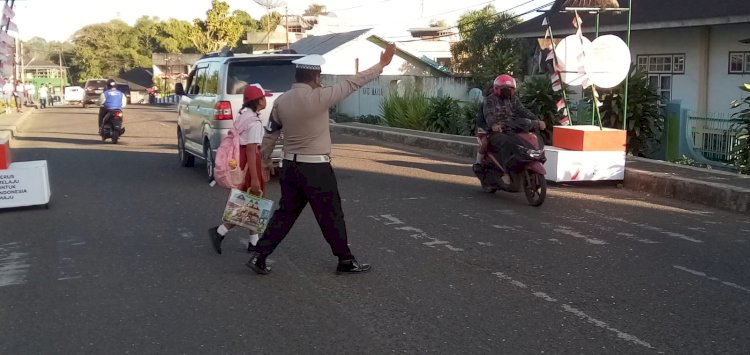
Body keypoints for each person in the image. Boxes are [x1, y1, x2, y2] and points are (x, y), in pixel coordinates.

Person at [245, 44, 396, 275]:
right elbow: (354, 82)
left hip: (290, 167)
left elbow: (270, 134)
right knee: (331, 214)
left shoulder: (281, 101)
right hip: (316, 168)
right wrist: (381, 65)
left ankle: (260, 256)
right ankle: (345, 260)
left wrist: (265, 162)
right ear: (316, 77)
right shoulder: (321, 97)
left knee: (285, 214)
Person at [209, 83, 273, 254]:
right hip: (249, 166)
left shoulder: (244, 116)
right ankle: (220, 231)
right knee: (251, 202)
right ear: (258, 101)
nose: (265, 101)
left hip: (242, 163)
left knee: (252, 202)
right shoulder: (255, 123)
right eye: (263, 98)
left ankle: (253, 241)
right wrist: (254, 177)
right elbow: (252, 151)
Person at [481, 74, 545, 183]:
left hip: (513, 126)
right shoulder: (490, 100)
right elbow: (488, 115)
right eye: (504, 89)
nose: (507, 91)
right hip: (497, 130)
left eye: (510, 89)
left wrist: (537, 120)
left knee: (527, 138)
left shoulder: (513, 99)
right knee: (507, 142)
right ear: (497, 89)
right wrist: (494, 125)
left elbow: (523, 111)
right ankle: (505, 172)